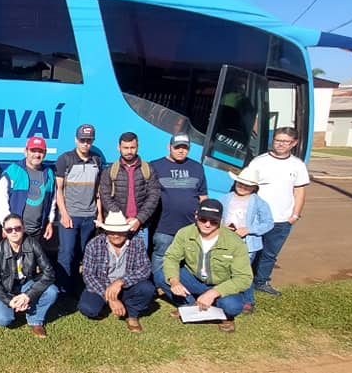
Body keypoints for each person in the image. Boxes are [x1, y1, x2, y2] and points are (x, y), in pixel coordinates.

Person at [163, 199, 253, 332]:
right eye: (203, 219)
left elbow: (244, 278)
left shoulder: (235, 242)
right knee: (160, 275)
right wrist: (174, 281)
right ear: (196, 216)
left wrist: (213, 293)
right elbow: (171, 257)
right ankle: (190, 304)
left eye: (213, 221)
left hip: (221, 284)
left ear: (220, 220)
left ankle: (224, 315)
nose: (207, 224)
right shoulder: (185, 233)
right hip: (194, 278)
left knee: (233, 306)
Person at [246, 127, 309, 296]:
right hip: (257, 218)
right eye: (277, 140)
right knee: (251, 251)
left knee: (270, 254)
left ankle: (261, 281)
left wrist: (295, 215)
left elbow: (299, 191)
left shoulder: (298, 165)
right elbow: (247, 186)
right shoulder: (259, 161)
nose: (280, 144)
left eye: (285, 141)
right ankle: (244, 281)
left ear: (294, 143)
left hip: (282, 220)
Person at [149, 133, 207, 299]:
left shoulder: (197, 167)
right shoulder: (155, 166)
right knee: (161, 255)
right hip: (164, 225)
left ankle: (180, 285)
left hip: (190, 226)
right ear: (169, 147)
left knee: (185, 260)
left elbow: (203, 196)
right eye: (177, 147)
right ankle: (156, 285)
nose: (181, 151)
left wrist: (203, 218)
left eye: (185, 147)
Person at [78, 211, 154, 333]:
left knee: (147, 289)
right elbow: (88, 275)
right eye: (111, 231)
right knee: (87, 308)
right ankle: (110, 304)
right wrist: (110, 297)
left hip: (126, 285)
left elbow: (145, 269)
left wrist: (121, 282)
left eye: (120, 231)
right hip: (102, 285)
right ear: (106, 231)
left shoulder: (137, 242)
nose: (116, 235)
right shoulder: (94, 244)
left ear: (126, 231)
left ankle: (132, 314)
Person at [0, 214, 58, 337]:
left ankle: (35, 319)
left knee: (52, 292)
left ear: (23, 228)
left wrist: (27, 295)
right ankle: (14, 307)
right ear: (4, 231)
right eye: (9, 229)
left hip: (26, 283)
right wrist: (9, 301)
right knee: (2, 320)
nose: (14, 232)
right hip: (5, 288)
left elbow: (49, 273)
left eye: (17, 228)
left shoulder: (33, 244)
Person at [54, 124, 104, 295]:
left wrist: (100, 214)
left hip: (89, 217)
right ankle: (61, 289)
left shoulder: (97, 160)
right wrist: (64, 214)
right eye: (82, 140)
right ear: (76, 139)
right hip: (71, 215)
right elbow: (58, 189)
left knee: (81, 254)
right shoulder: (65, 159)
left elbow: (98, 190)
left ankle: (74, 288)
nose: (85, 144)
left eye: (89, 141)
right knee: (66, 253)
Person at [218, 168, 273, 314]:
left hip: (247, 244)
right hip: (227, 241)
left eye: (247, 185)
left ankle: (248, 300)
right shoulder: (225, 198)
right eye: (240, 183)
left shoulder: (259, 202)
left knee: (243, 271)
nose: (243, 187)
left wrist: (248, 229)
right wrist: (222, 227)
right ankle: (228, 295)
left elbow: (268, 223)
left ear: (254, 187)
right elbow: (218, 217)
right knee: (226, 269)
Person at [99, 132, 160, 251]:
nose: (129, 151)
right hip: (116, 228)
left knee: (139, 264)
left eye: (132, 147)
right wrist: (120, 219)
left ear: (137, 147)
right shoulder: (110, 171)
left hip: (140, 228)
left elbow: (153, 196)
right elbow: (105, 196)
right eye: (125, 148)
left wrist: (139, 219)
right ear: (119, 147)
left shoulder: (148, 169)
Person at [0, 136, 56, 240]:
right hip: (14, 231)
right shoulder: (13, 171)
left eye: (40, 151)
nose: (37, 155)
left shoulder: (49, 174)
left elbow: (53, 201)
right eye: (33, 150)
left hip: (37, 232)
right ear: (26, 151)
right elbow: (1, 200)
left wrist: (50, 222)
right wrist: (5, 224)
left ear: (45, 153)